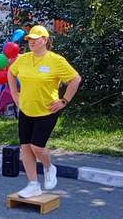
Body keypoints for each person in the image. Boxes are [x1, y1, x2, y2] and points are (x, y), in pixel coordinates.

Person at [8, 25, 81, 198]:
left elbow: (75, 79)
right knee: (26, 148)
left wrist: (64, 101)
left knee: (37, 147)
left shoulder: (56, 60)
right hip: (26, 109)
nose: (31, 42)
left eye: (35, 39)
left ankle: (49, 168)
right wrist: (14, 93)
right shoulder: (24, 59)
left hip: (47, 110)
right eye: (29, 39)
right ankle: (33, 184)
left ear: (45, 40)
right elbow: (11, 72)